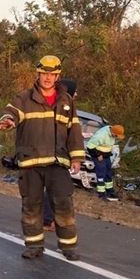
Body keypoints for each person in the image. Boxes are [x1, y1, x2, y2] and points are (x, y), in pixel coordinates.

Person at [0, 55, 85, 260]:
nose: (47, 78)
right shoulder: (24, 98)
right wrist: (8, 121)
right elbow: (11, 112)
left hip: (57, 163)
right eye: (44, 73)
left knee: (64, 203)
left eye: (52, 74)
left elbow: (74, 131)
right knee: (32, 205)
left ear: (57, 76)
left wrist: (76, 157)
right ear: (38, 74)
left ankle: (68, 247)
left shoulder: (66, 101)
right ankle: (34, 246)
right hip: (31, 163)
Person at [44, 79, 78, 230]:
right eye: (74, 91)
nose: (76, 94)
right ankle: (46, 219)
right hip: (53, 155)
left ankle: (47, 218)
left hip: (58, 155)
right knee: (54, 189)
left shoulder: (66, 107)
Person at [87, 124, 125, 201]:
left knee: (108, 173)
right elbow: (90, 146)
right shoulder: (101, 135)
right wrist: (98, 155)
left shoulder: (112, 133)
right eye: (116, 135)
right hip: (98, 155)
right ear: (113, 132)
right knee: (101, 174)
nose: (117, 137)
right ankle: (101, 194)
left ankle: (109, 191)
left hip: (106, 155)